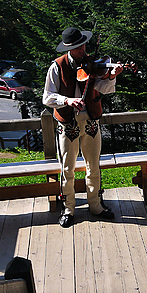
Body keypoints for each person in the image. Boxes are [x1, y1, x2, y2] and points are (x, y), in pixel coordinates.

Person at [43, 27, 123, 228]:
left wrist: (112, 77)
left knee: (93, 165)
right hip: (68, 122)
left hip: (90, 120)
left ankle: (95, 204)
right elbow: (47, 97)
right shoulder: (57, 67)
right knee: (68, 167)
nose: (83, 50)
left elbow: (102, 89)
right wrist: (67, 100)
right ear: (69, 49)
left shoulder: (91, 64)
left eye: (84, 45)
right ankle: (69, 207)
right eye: (79, 48)